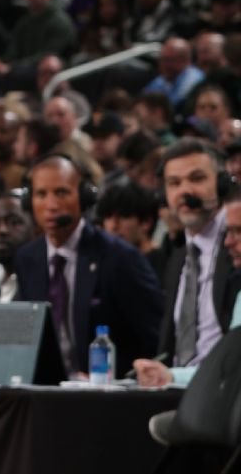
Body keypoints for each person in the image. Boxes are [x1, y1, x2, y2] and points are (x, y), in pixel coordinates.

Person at [14, 155, 163, 377]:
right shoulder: (27, 259)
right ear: (29, 202)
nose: (51, 205)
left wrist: (111, 378)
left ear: (84, 198)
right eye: (41, 194)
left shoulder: (119, 258)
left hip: (108, 388)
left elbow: (155, 338)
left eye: (61, 193)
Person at [149, 140, 238, 372]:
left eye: (197, 179)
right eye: (174, 183)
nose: (185, 191)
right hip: (177, 386)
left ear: (222, 183)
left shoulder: (237, 248)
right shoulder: (178, 256)